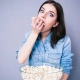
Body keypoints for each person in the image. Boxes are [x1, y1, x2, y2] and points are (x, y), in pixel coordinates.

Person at [16, 0, 74, 80]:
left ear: (55, 23)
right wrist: (34, 33)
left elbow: (66, 67)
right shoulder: (29, 36)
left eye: (50, 14)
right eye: (42, 11)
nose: (43, 16)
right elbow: (21, 59)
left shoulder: (65, 41)